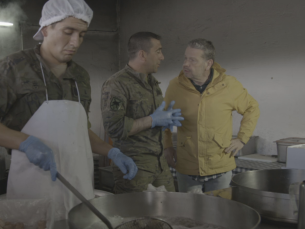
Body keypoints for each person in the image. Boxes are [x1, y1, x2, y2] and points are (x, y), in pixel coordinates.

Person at [0, 0, 137, 219]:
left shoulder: (80, 77)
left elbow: (79, 130)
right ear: (45, 29)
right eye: (68, 32)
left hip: (78, 187)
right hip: (32, 187)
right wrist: (24, 142)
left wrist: (111, 151)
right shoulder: (15, 68)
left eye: (81, 34)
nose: (75, 42)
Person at [164, 38, 260, 193]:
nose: (186, 64)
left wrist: (242, 138)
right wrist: (167, 145)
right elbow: (163, 117)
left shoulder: (229, 85)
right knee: (188, 213)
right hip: (187, 166)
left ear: (208, 64)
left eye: (193, 60)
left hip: (220, 166)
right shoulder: (175, 86)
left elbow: (252, 108)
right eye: (185, 58)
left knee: (218, 213)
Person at [101, 32, 183, 193]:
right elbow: (114, 128)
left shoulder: (152, 83)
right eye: (158, 51)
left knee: (171, 211)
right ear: (142, 54)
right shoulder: (117, 84)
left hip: (159, 163)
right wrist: (152, 120)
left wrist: (165, 121)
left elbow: (151, 120)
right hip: (134, 165)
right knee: (137, 215)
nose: (162, 57)